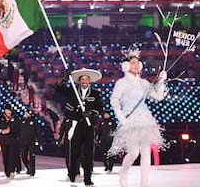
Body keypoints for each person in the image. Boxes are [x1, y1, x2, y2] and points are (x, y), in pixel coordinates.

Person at [108, 48, 167, 187]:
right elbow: (114, 101)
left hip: (144, 119)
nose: (135, 65)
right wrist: (122, 119)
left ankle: (144, 184)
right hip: (129, 120)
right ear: (126, 66)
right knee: (133, 153)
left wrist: (162, 82)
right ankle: (123, 172)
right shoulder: (121, 83)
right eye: (133, 63)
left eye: (137, 63)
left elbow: (158, 96)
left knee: (146, 152)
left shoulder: (144, 83)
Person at [55, 67, 103, 186]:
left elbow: (99, 108)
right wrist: (64, 79)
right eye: (82, 79)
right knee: (74, 152)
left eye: (87, 79)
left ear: (89, 81)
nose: (85, 81)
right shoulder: (73, 91)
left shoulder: (95, 94)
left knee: (88, 154)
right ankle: (72, 172)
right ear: (79, 81)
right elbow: (59, 89)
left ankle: (88, 179)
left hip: (89, 126)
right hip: (76, 125)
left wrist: (91, 113)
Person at [0, 103, 21, 179]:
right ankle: (7, 172)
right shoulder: (1, 118)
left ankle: (12, 171)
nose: (8, 112)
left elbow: (18, 128)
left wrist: (10, 130)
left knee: (12, 157)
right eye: (7, 110)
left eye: (9, 110)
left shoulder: (16, 118)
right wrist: (2, 131)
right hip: (3, 141)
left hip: (13, 141)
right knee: (5, 157)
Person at [19, 109, 43, 176]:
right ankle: (28, 167)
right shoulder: (22, 121)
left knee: (32, 157)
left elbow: (38, 132)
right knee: (23, 156)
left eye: (26, 113)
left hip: (32, 142)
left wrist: (40, 142)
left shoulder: (34, 122)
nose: (25, 114)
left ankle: (32, 171)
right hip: (23, 142)